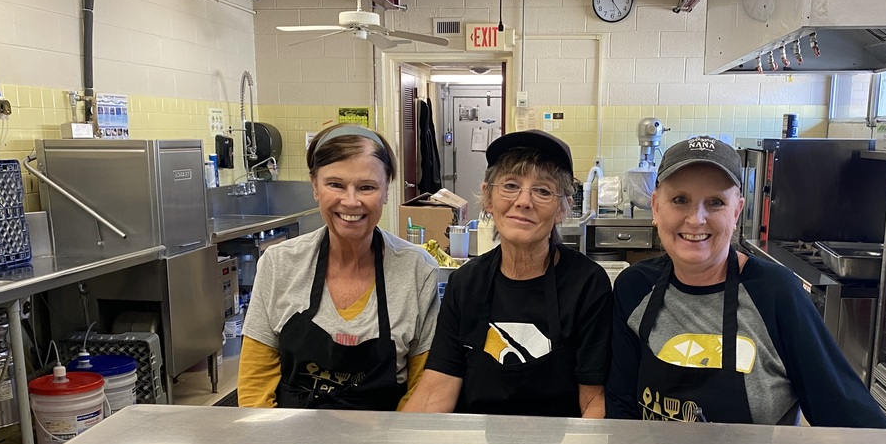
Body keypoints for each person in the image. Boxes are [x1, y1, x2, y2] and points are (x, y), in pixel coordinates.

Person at [606, 135, 886, 428]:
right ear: (655, 207)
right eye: (680, 200)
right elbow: (620, 409)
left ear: (737, 211)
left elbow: (852, 420)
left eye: (715, 202)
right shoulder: (634, 287)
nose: (696, 219)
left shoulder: (776, 294)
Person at [402, 129, 612, 419]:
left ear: (562, 207)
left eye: (542, 190)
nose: (524, 201)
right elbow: (437, 390)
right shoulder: (466, 283)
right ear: (488, 198)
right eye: (511, 185)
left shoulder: (587, 284)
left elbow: (593, 403)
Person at [237, 124, 440, 410]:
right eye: (335, 184)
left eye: (367, 187)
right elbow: (255, 385)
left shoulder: (417, 271)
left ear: (386, 191)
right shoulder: (279, 263)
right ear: (315, 187)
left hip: (383, 442)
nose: (351, 201)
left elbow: (423, 387)